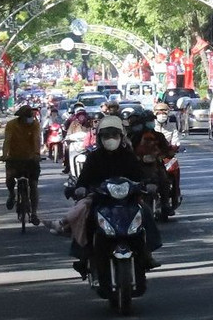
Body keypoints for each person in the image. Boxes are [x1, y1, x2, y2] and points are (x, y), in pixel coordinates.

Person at [63, 116, 154, 271]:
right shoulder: (93, 157)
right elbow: (84, 179)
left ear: (121, 137)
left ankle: (147, 253)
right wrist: (81, 188)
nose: (110, 139)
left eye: (114, 135)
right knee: (86, 217)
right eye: (106, 136)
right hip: (101, 200)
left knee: (145, 212)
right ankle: (83, 256)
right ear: (100, 138)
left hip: (128, 200)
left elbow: (140, 175)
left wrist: (149, 183)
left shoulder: (129, 156)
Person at [1, 104, 43, 223]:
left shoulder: (35, 124)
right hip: (14, 158)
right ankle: (11, 194)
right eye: (27, 117)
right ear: (21, 117)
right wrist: (5, 155)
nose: (30, 118)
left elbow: (36, 139)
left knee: (33, 185)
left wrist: (36, 154)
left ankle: (34, 213)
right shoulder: (11, 125)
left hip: (31, 159)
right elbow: (7, 140)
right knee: (9, 178)